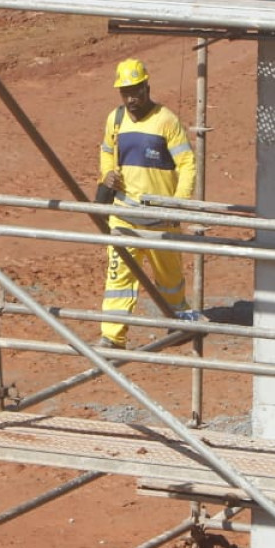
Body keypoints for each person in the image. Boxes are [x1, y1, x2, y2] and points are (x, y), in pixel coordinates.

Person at [96, 58, 204, 348]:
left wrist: (178, 205)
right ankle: (112, 338)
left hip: (161, 219)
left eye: (136, 91)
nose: (131, 98)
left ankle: (178, 322)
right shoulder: (115, 120)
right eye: (126, 92)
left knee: (170, 279)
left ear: (147, 87)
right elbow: (107, 152)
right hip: (124, 216)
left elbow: (187, 163)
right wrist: (107, 174)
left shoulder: (166, 120)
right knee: (118, 281)